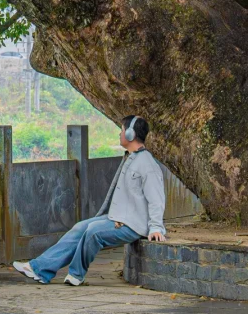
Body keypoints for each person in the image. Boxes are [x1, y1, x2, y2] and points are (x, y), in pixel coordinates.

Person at [12, 115, 166, 287]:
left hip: (134, 225)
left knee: (93, 231)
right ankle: (39, 268)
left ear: (130, 134)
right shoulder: (131, 158)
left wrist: (156, 227)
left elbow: (156, 199)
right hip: (119, 219)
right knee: (80, 227)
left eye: (122, 130)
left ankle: (76, 274)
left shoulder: (147, 164)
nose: (119, 133)